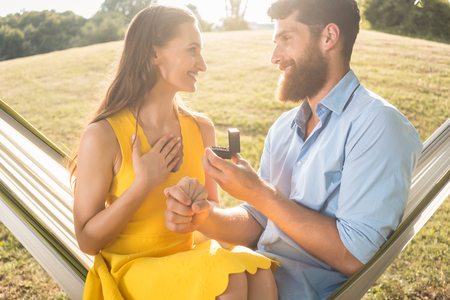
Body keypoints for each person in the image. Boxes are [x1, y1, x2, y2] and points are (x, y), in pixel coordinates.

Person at [164, 0, 424, 299]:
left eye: (286, 39)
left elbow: (356, 255)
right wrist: (204, 218)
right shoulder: (284, 128)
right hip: (252, 276)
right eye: (276, 42)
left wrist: (258, 191)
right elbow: (258, 220)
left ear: (329, 37)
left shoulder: (377, 124)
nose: (275, 57)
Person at [71, 4, 278, 300]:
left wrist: (199, 208)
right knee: (229, 281)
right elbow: (87, 240)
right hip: (132, 267)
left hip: (190, 255)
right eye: (192, 49)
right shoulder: (103, 136)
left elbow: (211, 214)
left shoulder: (201, 129)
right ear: (155, 53)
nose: (202, 64)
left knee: (259, 274)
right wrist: (142, 185)